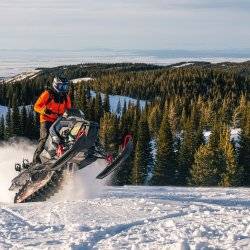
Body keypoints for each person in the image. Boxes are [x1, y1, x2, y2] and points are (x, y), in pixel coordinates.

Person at [32, 76, 71, 164]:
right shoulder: (48, 93)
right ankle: (36, 161)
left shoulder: (65, 96)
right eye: (61, 87)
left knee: (70, 132)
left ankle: (66, 154)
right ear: (55, 85)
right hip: (46, 119)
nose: (63, 89)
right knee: (45, 137)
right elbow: (36, 106)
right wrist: (44, 110)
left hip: (59, 121)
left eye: (65, 87)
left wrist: (69, 116)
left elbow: (69, 109)